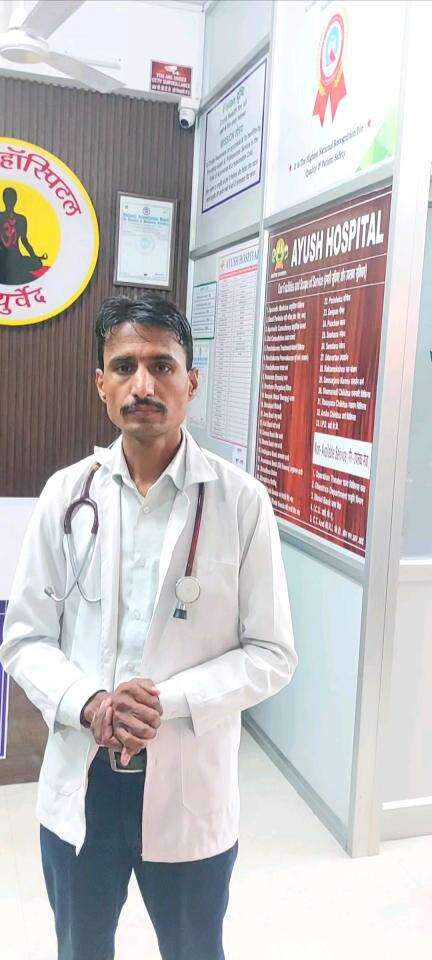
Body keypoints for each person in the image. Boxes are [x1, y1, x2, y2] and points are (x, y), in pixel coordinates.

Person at [0, 294, 298, 960]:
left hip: (188, 783)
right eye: (124, 366)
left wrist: (167, 701)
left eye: (162, 365)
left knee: (193, 947)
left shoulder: (241, 502)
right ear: (101, 384)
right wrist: (89, 701)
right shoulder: (65, 495)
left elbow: (272, 653)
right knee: (81, 947)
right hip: (82, 781)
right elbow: (24, 637)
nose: (143, 384)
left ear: (192, 383)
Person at [0, 187, 48, 284]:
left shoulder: (21, 219)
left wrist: (34, 256)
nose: (10, 200)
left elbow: (24, 241)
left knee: (38, 263)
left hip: (17, 257)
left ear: (15, 200)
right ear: (3, 199)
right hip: (2, 257)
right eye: (8, 198)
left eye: (12, 198)